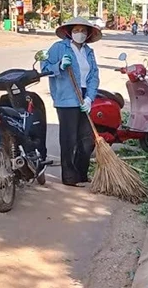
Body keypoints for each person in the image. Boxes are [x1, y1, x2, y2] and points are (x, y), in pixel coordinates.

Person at [41, 16, 101, 187]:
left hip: (84, 95)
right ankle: (69, 176)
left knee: (87, 140)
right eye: (76, 30)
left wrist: (89, 98)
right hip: (66, 98)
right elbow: (45, 68)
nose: (79, 34)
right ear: (69, 32)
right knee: (69, 139)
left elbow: (93, 76)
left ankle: (81, 174)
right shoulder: (58, 48)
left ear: (88, 34)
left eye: (83, 31)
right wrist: (59, 65)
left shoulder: (89, 52)